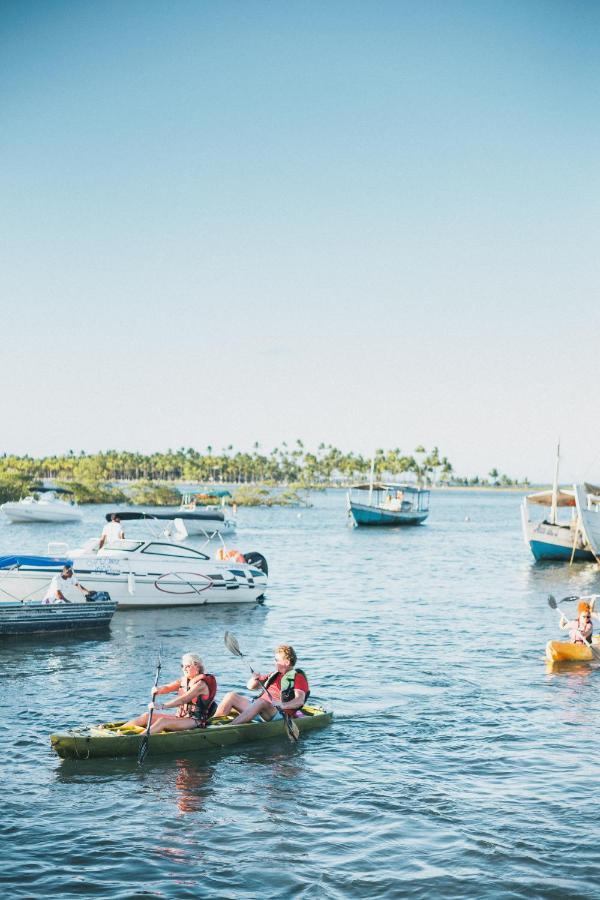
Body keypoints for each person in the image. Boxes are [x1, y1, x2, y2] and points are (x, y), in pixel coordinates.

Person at [214, 644, 309, 726]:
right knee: (230, 696)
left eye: (276, 660)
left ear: (286, 662)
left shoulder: (298, 677)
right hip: (257, 708)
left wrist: (282, 704)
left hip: (277, 713)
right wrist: (254, 679)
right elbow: (250, 686)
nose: (274, 662)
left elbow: (299, 701)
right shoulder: (274, 674)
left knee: (261, 702)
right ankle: (212, 724)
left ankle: (228, 727)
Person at [123, 653, 218, 734]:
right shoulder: (184, 680)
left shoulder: (201, 684)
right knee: (145, 716)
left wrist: (161, 706)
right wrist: (158, 689)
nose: (184, 669)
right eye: (183, 666)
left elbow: (183, 699)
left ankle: (138, 739)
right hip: (180, 717)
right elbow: (168, 687)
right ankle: (117, 732)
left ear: (197, 666)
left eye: (187, 666)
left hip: (195, 721)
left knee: (163, 722)